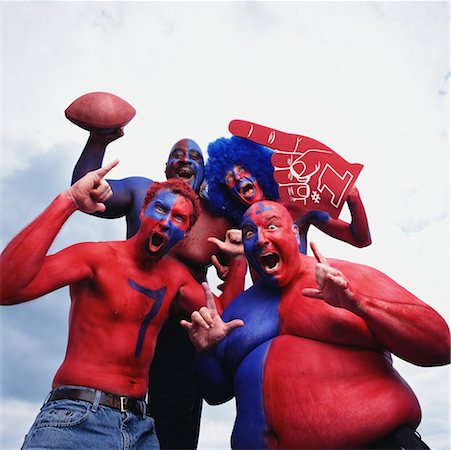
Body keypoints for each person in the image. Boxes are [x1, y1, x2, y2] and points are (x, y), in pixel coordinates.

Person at [0, 162, 242, 449]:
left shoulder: (175, 279)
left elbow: (222, 320)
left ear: (186, 232)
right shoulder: (96, 258)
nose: (166, 222)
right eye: (161, 210)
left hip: (140, 426)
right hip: (77, 417)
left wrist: (239, 261)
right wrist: (68, 202)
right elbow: (6, 287)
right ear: (143, 212)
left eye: (178, 218)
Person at [182, 200, 450, 449]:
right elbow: (215, 393)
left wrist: (358, 303)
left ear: (295, 233)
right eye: (250, 233)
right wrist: (205, 350)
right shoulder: (238, 311)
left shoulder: (345, 277)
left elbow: (440, 345)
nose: (261, 238)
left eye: (271, 226)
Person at [71, 130, 245, 448]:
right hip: (126, 320)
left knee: (173, 431)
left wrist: (238, 263)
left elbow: (226, 305)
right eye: (177, 155)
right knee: (105, 412)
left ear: (205, 174)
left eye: (194, 157)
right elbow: (87, 192)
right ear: (166, 168)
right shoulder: (143, 193)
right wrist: (98, 140)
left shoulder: (219, 221)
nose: (185, 160)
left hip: (182, 332)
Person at [205, 135, 371, 254]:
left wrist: (354, 198)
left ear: (258, 169)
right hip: (266, 301)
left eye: (242, 169)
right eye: (228, 178)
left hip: (303, 296)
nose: (237, 177)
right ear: (228, 195)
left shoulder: (297, 206)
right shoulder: (237, 229)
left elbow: (360, 240)